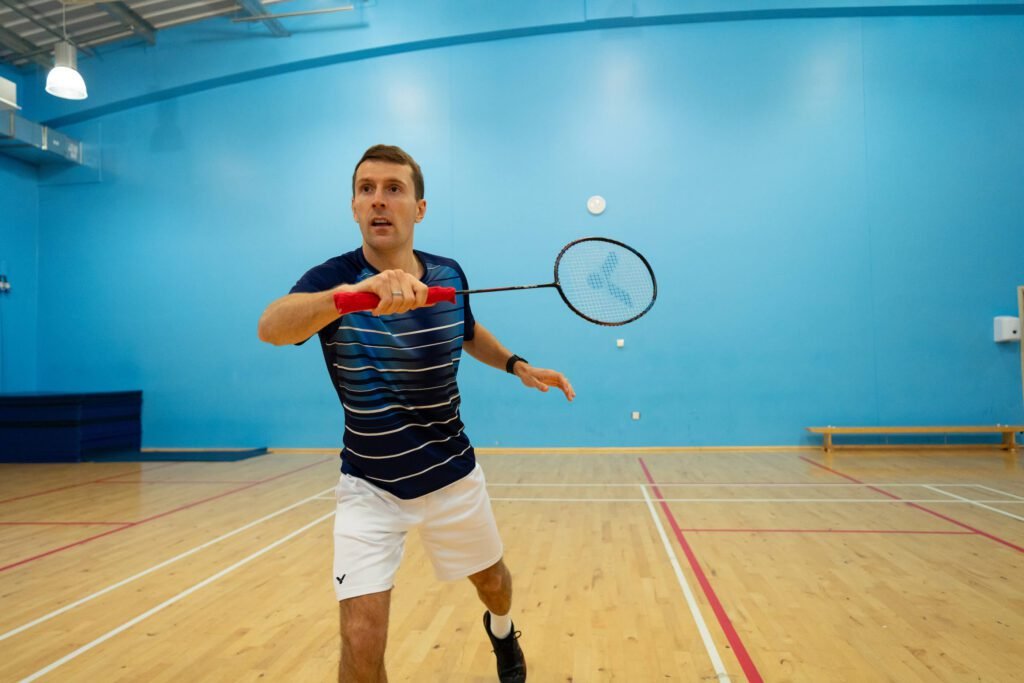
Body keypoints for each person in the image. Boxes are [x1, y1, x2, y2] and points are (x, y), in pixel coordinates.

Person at [257, 144, 575, 683]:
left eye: (394, 189)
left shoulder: (448, 273)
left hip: (452, 476)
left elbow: (467, 329)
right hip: (370, 487)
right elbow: (272, 327)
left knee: (495, 585)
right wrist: (350, 296)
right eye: (366, 189)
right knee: (361, 640)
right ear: (354, 207)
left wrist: (516, 364)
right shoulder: (332, 279)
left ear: (419, 209)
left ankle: (502, 630)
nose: (378, 200)